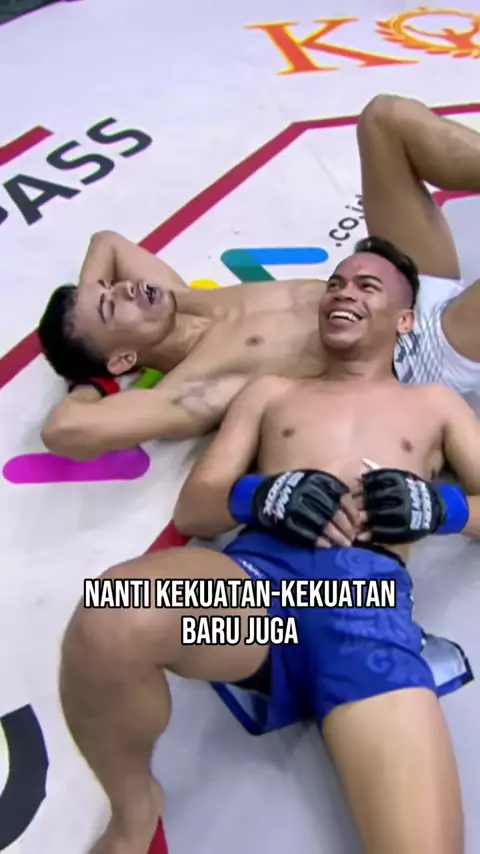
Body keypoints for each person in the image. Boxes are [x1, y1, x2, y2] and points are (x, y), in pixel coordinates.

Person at [59, 242, 479, 854]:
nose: (344, 293)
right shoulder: (271, 393)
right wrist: (262, 495)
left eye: (367, 287)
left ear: (406, 319)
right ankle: (133, 808)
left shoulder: (434, 404)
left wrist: (441, 508)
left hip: (366, 617)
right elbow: (195, 507)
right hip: (258, 599)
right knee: (110, 614)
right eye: (337, 283)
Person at [39, 94, 480, 461]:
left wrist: (94, 301)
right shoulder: (192, 390)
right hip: (425, 348)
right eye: (112, 305)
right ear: (122, 360)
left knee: (384, 120)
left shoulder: (179, 299)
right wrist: (93, 380)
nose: (126, 288)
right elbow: (64, 430)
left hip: (399, 282)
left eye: (111, 286)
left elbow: (107, 243)